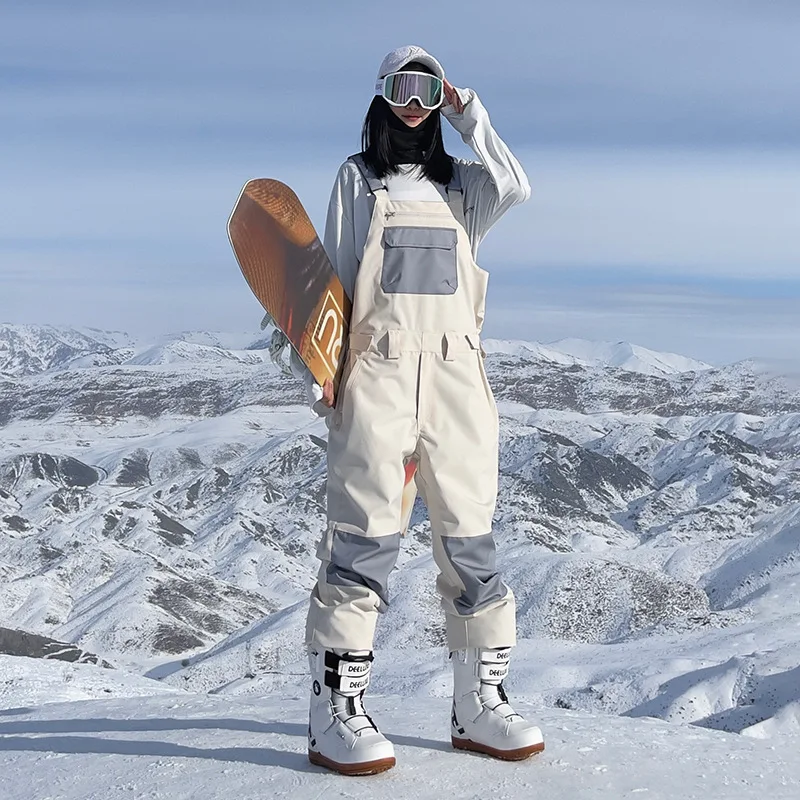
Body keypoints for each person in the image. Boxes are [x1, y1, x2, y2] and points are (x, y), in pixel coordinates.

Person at [292, 45, 544, 775]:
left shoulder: (464, 187)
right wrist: (326, 368)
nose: (415, 100)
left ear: (441, 98)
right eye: (404, 85)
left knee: (471, 539)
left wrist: (473, 117)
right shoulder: (358, 178)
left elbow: (517, 185)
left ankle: (479, 704)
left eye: (428, 88)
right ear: (381, 94)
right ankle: (335, 711)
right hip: (377, 372)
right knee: (364, 535)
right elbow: (339, 273)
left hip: (459, 376)